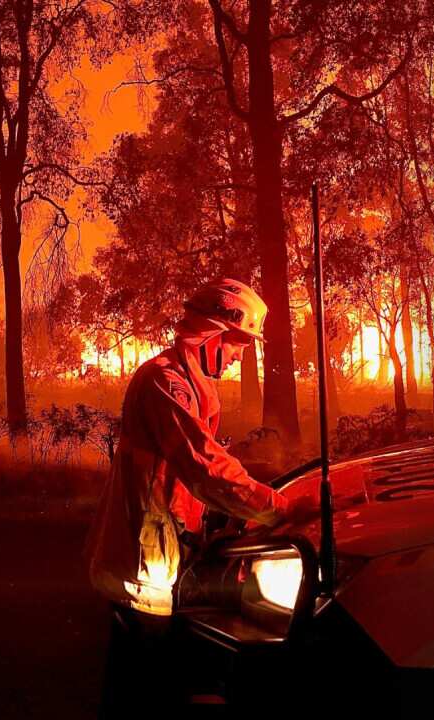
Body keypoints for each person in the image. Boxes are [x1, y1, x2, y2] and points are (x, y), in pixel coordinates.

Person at [85, 278, 321, 708]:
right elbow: (205, 467)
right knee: (143, 691)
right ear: (213, 332)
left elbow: (194, 475)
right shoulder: (165, 383)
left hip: (159, 557)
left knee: (146, 685)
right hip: (141, 565)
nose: (237, 357)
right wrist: (279, 508)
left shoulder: (192, 384)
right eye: (237, 345)